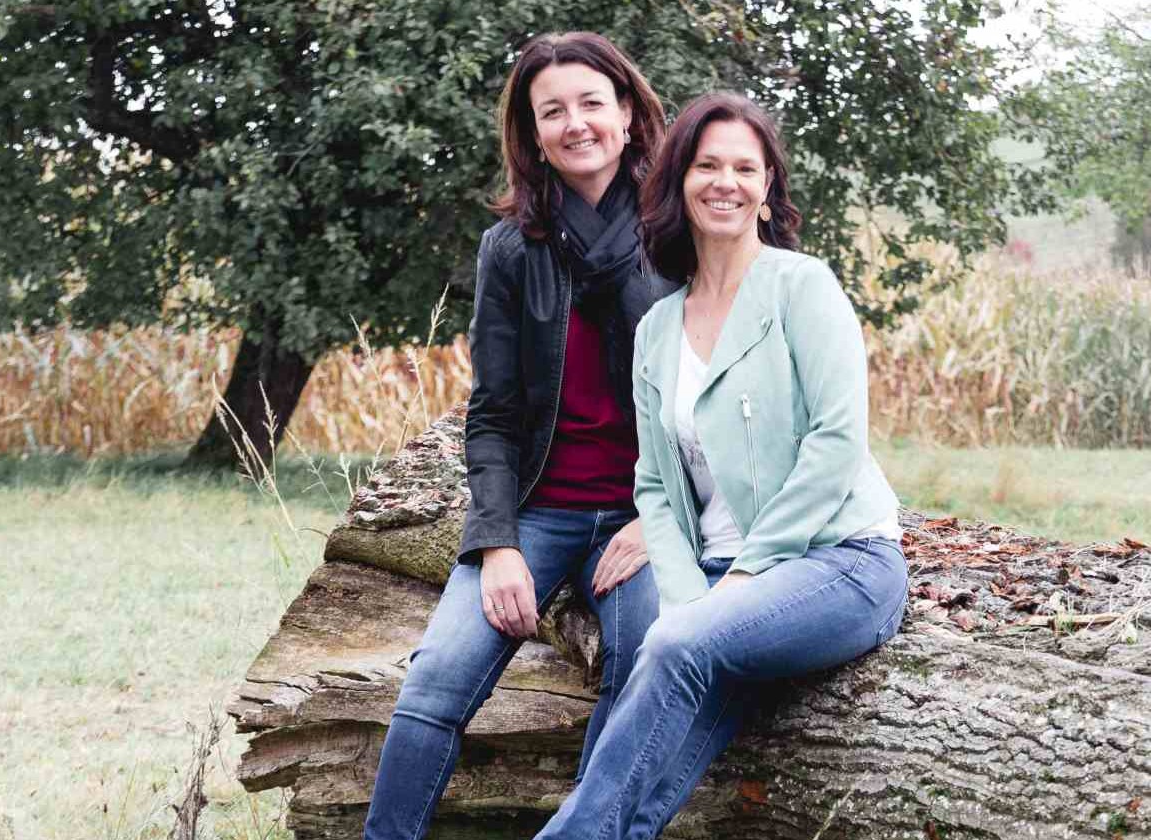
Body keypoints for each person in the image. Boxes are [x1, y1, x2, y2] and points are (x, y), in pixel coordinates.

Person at [534, 92, 910, 839]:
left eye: (746, 167)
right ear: (679, 180)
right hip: (717, 580)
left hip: (840, 561)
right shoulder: (660, 328)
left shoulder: (803, 288)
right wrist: (685, 592)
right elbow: (657, 486)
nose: (725, 182)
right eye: (707, 165)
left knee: (676, 643)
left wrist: (740, 580)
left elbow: (836, 444)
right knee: (666, 670)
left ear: (768, 187)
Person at [363, 33, 677, 840]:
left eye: (590, 104)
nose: (575, 124)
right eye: (552, 111)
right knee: (435, 682)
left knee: (641, 667)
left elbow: (715, 407)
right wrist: (497, 542)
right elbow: (495, 413)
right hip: (538, 510)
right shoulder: (510, 249)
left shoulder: (678, 237)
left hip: (648, 514)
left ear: (629, 115)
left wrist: (661, 519)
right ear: (532, 134)